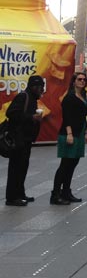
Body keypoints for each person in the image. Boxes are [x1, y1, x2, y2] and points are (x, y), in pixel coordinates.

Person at [5, 75, 46, 206]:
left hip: (26, 139)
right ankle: (12, 197)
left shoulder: (33, 98)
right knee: (16, 168)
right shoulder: (23, 96)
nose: (41, 90)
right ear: (33, 86)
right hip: (18, 139)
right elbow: (11, 113)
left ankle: (20, 193)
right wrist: (31, 117)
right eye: (39, 87)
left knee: (23, 167)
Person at [51, 72, 87, 205]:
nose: (82, 81)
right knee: (65, 164)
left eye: (84, 79)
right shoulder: (69, 97)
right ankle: (55, 194)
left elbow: (83, 116)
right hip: (69, 134)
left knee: (73, 163)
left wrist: (85, 132)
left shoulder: (83, 95)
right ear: (73, 81)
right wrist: (69, 134)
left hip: (79, 133)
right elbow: (67, 116)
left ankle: (66, 191)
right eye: (79, 79)